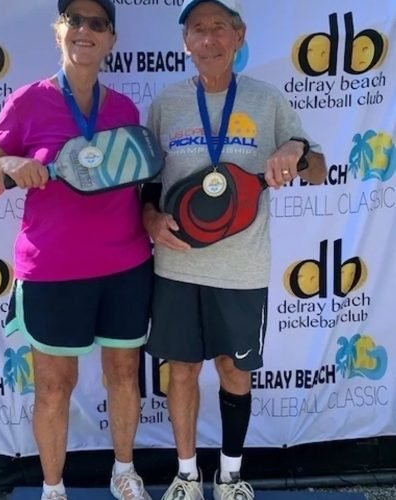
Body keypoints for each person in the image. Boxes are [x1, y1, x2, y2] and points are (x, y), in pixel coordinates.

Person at [141, 0, 327, 499]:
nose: (209, 38)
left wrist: (297, 151)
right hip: (177, 265)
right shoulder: (165, 104)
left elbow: (321, 168)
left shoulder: (268, 101)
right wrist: (151, 219)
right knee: (181, 371)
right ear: (185, 43)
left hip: (242, 270)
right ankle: (185, 476)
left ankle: (229, 476)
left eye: (219, 27)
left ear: (239, 37)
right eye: (197, 29)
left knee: (234, 372)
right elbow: (147, 186)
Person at [0, 1, 153, 499]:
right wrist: (10, 165)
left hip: (126, 266)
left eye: (98, 24)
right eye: (75, 20)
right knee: (54, 388)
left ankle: (124, 473)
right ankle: (54, 489)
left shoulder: (124, 110)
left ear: (111, 40)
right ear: (59, 33)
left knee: (123, 376)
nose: (85, 31)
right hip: (51, 270)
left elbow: (136, 187)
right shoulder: (27, 102)